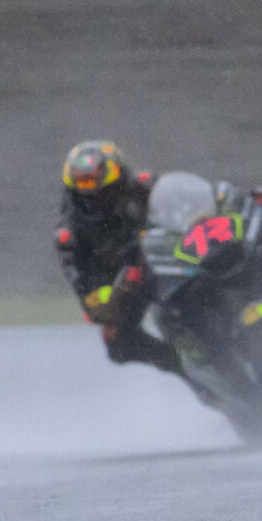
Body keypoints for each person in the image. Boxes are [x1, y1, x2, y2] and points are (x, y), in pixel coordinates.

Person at [54, 140, 183, 374]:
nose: (89, 189)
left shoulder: (144, 186)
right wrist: (106, 300)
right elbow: (83, 285)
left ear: (115, 173)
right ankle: (183, 369)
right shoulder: (69, 232)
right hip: (126, 280)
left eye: (94, 179)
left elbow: (187, 205)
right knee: (118, 345)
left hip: (175, 258)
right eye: (82, 181)